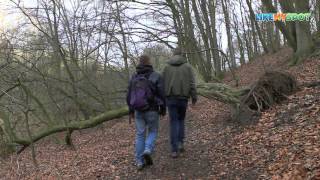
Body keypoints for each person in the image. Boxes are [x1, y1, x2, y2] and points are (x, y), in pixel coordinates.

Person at [126, 55, 166, 170]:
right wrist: (163, 108)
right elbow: (162, 94)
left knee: (140, 135)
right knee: (153, 131)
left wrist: (131, 110)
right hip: (152, 109)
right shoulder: (156, 75)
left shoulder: (134, 76)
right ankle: (148, 149)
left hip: (138, 110)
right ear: (149, 62)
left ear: (139, 62)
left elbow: (129, 95)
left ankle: (139, 161)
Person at [162, 47, 197, 158]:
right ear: (182, 54)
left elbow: (162, 83)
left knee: (173, 122)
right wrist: (194, 96)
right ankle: (181, 142)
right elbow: (192, 83)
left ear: (173, 54)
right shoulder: (187, 66)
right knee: (181, 120)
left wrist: (163, 98)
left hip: (170, 98)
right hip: (183, 98)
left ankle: (174, 149)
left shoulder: (166, 67)